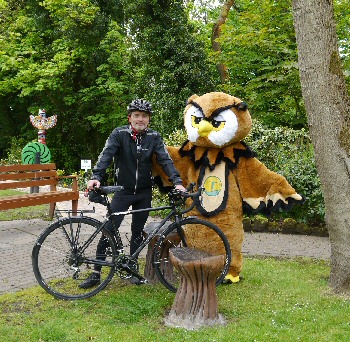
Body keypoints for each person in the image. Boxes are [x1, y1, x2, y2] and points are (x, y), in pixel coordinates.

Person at [79, 99, 186, 289]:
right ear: (130, 118)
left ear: (148, 120)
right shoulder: (119, 134)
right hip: (123, 191)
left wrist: (177, 182)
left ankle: (132, 268)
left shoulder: (154, 137)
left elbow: (165, 160)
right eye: (136, 115)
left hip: (144, 192)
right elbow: (106, 155)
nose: (140, 119)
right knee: (109, 230)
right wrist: (96, 176)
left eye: (144, 116)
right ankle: (96, 272)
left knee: (138, 231)